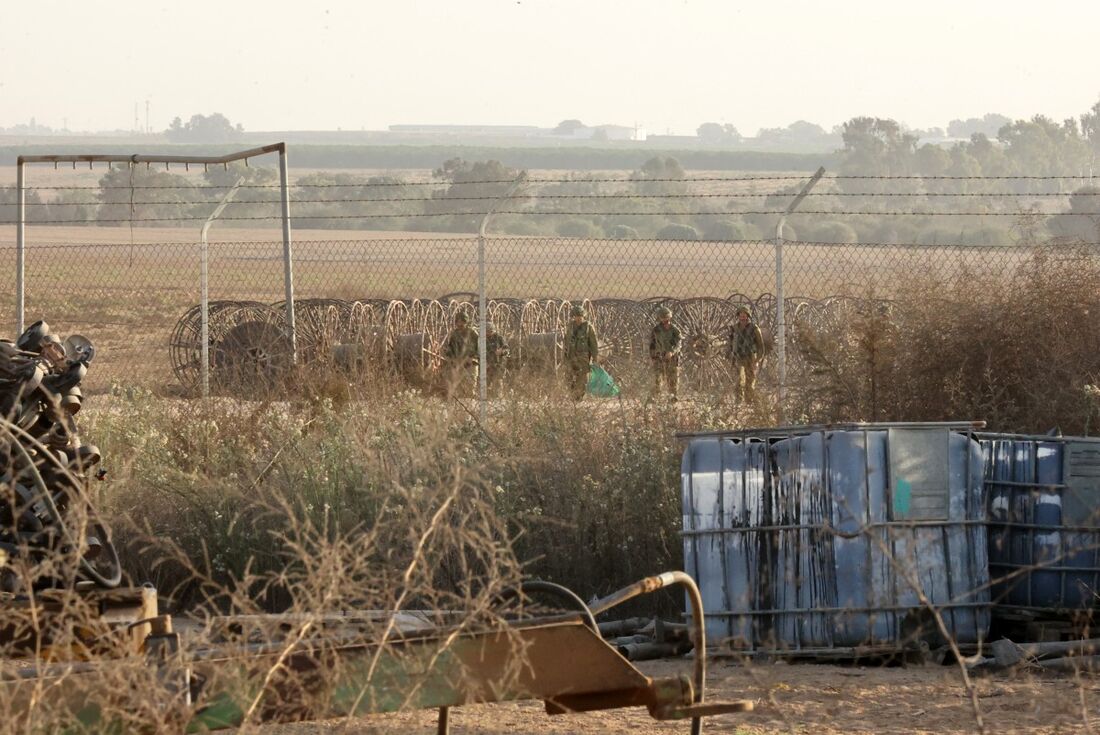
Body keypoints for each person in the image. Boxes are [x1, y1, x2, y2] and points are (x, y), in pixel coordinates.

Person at [727, 305, 764, 402]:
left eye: (744, 315)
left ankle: (749, 401)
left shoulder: (754, 328)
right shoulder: (734, 328)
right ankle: (738, 401)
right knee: (739, 379)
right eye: (740, 315)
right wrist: (731, 356)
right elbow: (730, 344)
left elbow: (761, 347)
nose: (742, 317)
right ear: (738, 316)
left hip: (751, 357)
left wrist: (757, 361)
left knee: (750, 381)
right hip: (739, 357)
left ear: (748, 316)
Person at [562, 304, 598, 401]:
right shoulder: (570, 326)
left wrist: (595, 358)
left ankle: (579, 397)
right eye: (576, 316)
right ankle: (572, 395)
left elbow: (593, 343)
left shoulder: (588, 327)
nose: (577, 318)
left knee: (582, 378)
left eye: (579, 316)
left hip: (583, 356)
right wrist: (565, 354)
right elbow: (566, 340)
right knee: (569, 376)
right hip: (571, 355)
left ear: (583, 316)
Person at [441, 312, 478, 398]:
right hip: (458, 361)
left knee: (471, 382)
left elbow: (479, 346)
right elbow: (451, 347)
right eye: (458, 322)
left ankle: (470, 398)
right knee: (457, 381)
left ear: (466, 322)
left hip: (470, 361)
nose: (460, 324)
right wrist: (449, 355)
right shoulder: (454, 334)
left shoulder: (472, 333)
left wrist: (472, 357)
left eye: (462, 322)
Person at [649, 306, 681, 400]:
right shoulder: (656, 330)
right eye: (663, 318)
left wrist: (672, 352)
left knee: (672, 378)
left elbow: (678, 344)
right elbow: (652, 344)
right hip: (659, 357)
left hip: (672, 358)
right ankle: (656, 396)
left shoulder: (675, 330)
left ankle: (673, 396)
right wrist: (652, 357)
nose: (665, 320)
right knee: (657, 378)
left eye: (666, 318)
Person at [484, 320, 510, 395]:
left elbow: (507, 350)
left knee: (497, 383)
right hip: (487, 365)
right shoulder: (483, 339)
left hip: (498, 364)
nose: (486, 333)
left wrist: (501, 351)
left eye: (488, 331)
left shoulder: (499, 338)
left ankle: (497, 398)